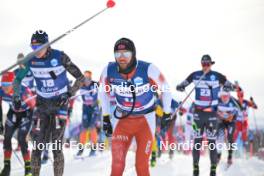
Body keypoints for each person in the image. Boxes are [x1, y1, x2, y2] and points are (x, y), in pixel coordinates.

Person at [13, 30, 85, 176]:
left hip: (60, 104)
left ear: (47, 45)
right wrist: (16, 96)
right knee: (37, 146)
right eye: (33, 47)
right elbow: (17, 80)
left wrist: (70, 93)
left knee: (56, 146)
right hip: (42, 105)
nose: (36, 51)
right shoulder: (30, 60)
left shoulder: (60, 57)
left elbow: (81, 78)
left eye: (39, 47)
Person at [99, 38, 172, 176]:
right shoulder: (108, 71)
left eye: (126, 53)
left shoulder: (148, 69)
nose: (121, 58)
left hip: (146, 120)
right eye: (117, 54)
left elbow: (166, 89)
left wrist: (167, 114)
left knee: (141, 165)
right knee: (117, 165)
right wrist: (106, 117)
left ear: (133, 54)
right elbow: (103, 93)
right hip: (123, 120)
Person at [176, 55, 234, 176]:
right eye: (204, 64)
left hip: (212, 114)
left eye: (208, 64)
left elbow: (231, 85)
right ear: (201, 64)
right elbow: (183, 84)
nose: (206, 66)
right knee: (197, 142)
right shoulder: (195, 75)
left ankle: (213, 169)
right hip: (198, 114)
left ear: (211, 64)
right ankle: (195, 168)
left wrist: (228, 86)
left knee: (211, 143)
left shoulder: (217, 76)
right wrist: (180, 87)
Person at [0, 71, 35, 176]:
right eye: (3, 85)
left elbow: (33, 106)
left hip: (26, 113)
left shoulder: (23, 90)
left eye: (7, 85)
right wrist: (0, 122)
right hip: (13, 113)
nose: (5, 88)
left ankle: (28, 168)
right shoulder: (1, 91)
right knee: (7, 137)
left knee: (21, 138)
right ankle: (7, 167)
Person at [76, 70, 100, 157]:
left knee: (92, 127)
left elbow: (103, 85)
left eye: (88, 78)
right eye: (85, 78)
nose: (86, 80)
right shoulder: (81, 85)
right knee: (84, 128)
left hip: (94, 107)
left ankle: (93, 149)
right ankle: (81, 149)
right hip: (85, 107)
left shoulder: (94, 84)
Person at [216, 89, 239, 166]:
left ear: (229, 96)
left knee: (230, 137)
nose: (224, 98)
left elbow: (237, 110)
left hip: (231, 122)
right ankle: (218, 156)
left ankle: (230, 156)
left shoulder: (233, 101)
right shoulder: (218, 100)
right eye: (223, 96)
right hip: (221, 121)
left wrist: (230, 115)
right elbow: (213, 109)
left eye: (226, 96)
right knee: (220, 137)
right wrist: (218, 113)